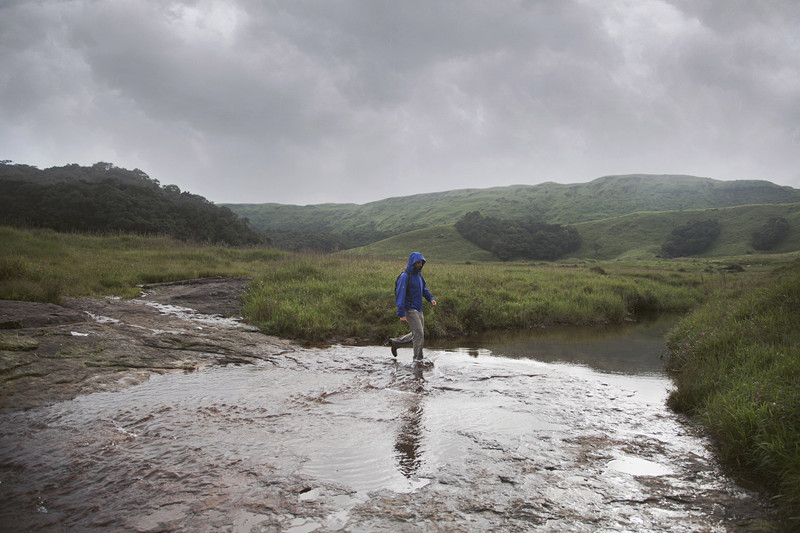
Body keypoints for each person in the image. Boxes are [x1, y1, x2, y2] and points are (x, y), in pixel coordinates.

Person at [389, 252, 436, 363]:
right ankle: (418, 360)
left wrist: (430, 298)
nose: (420, 265)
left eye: (421, 263)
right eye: (417, 263)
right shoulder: (405, 276)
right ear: (412, 263)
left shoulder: (419, 276)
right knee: (419, 334)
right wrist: (401, 313)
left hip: (418, 308)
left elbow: (424, 289)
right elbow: (400, 295)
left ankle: (396, 343)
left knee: (418, 333)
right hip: (409, 309)